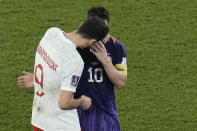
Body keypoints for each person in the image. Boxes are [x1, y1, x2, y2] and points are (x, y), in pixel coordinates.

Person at [17, 6, 127, 131]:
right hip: (68, 120)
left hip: (42, 119)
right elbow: (64, 102)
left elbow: (121, 82)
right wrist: (82, 102)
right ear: (93, 41)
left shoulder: (52, 32)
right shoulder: (74, 57)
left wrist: (37, 79)